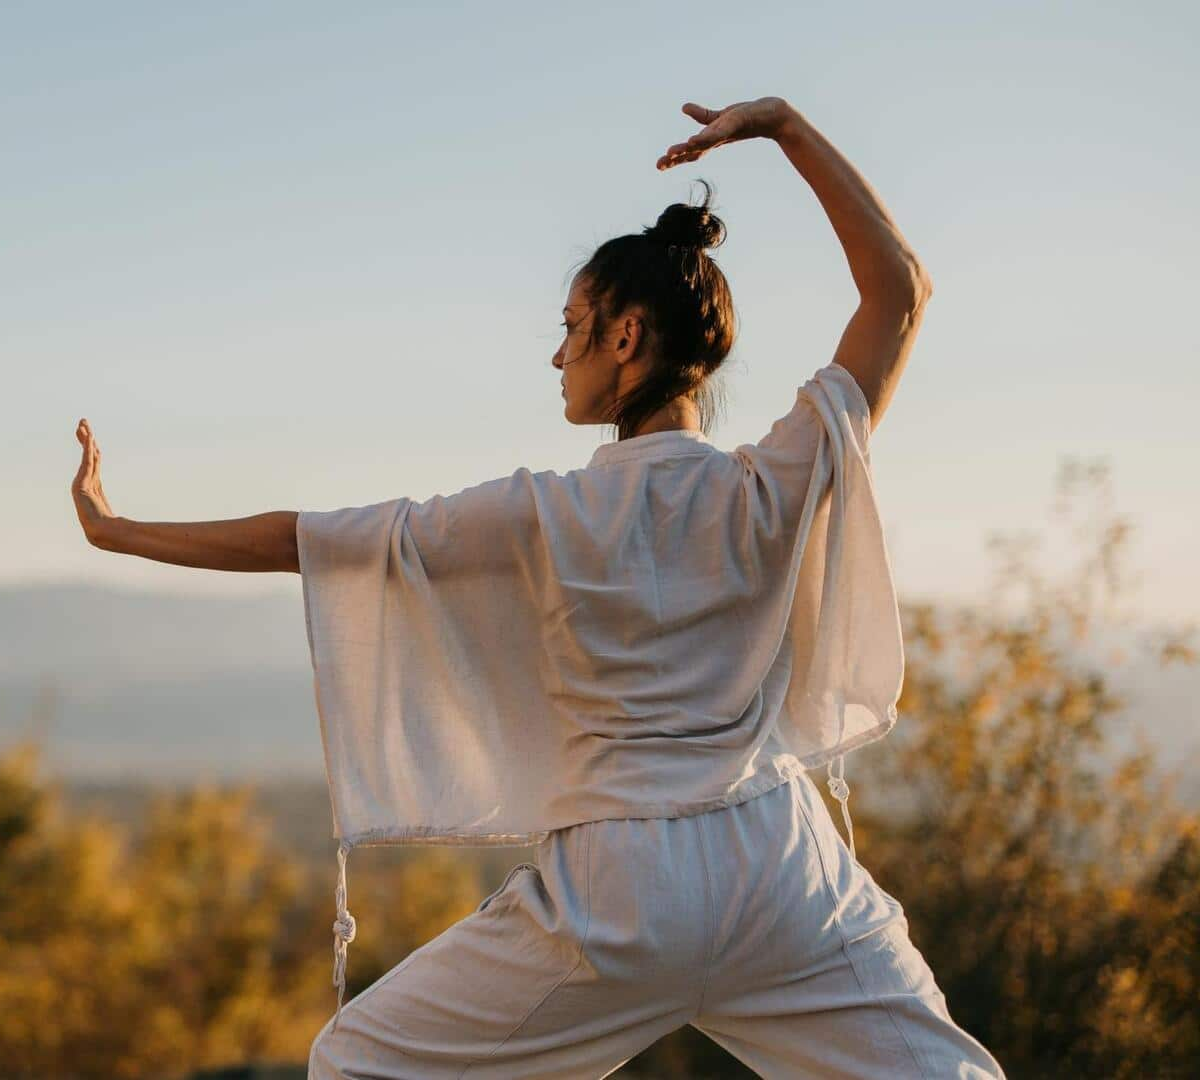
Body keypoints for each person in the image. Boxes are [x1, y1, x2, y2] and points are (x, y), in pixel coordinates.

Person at [70, 96, 1005, 1078]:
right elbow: (900, 290)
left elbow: (308, 543)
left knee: (358, 1066)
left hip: (619, 898)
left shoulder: (536, 516)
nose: (558, 353)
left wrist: (118, 530)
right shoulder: (772, 485)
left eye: (572, 327)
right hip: (782, 873)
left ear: (627, 335)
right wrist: (784, 127)